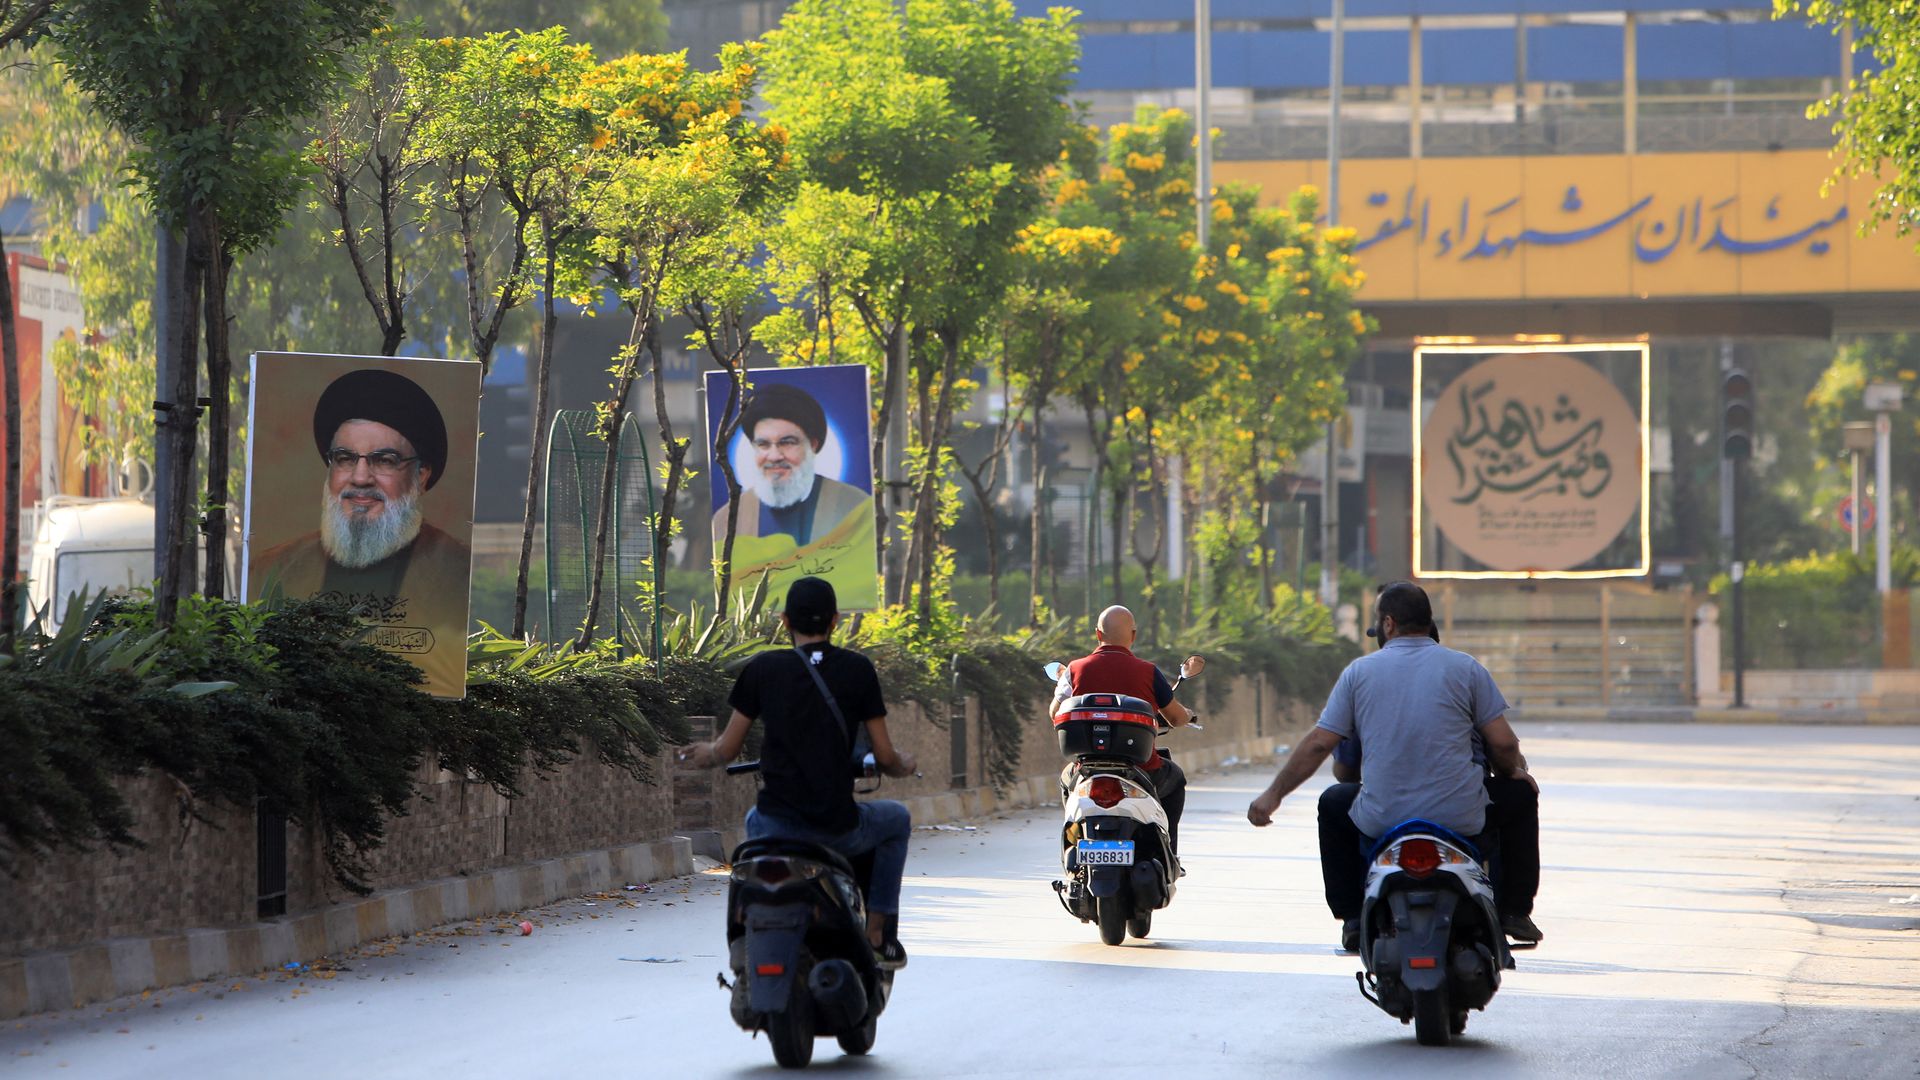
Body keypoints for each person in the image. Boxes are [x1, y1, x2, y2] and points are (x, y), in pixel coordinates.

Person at [1246, 582, 1533, 953]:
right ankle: (1513, 912)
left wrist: (1272, 796)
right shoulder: (1467, 669)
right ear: (1429, 623)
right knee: (1521, 794)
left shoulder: (1359, 673)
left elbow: (1320, 744)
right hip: (1460, 820)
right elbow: (1505, 744)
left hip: (1382, 820)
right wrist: (1513, 773)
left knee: (1334, 802)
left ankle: (1351, 919)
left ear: (1388, 624)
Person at [680, 576, 917, 968]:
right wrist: (904, 765)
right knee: (897, 819)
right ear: (835, 620)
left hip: (775, 825)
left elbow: (726, 749)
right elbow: (885, 755)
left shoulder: (763, 669)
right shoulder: (857, 670)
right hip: (836, 827)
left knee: (751, 826)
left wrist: (702, 753)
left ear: (785, 621)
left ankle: (744, 930)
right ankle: (877, 934)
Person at [251, 367, 472, 695]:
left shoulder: (459, 572)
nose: (360, 477)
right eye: (344, 458)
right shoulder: (271, 571)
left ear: (421, 475)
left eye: (384, 460)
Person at [1054, 605, 1203, 857]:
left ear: (1098, 634)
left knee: (1066, 779)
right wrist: (1187, 714)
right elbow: (1176, 718)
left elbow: (1055, 713)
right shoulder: (1148, 672)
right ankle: (1169, 854)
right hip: (1142, 768)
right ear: (1133, 636)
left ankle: (1073, 838)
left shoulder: (1075, 669)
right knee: (1175, 778)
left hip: (1087, 768)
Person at [713, 383, 869, 548]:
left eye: (787, 443)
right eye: (763, 444)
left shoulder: (855, 507)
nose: (774, 456)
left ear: (813, 445)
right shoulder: (727, 520)